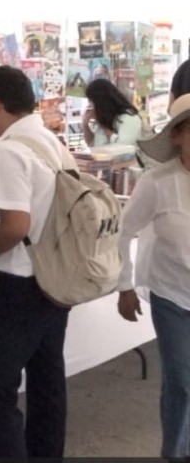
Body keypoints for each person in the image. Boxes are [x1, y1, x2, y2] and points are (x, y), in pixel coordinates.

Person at [0, 65, 69, 458]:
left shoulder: (8, 149)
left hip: (15, 284)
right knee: (48, 384)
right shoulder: (53, 143)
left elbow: (14, 225)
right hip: (55, 279)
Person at [116, 93, 190, 460]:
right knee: (181, 381)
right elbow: (124, 230)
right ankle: (174, 452)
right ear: (177, 135)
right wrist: (125, 286)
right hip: (171, 294)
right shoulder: (157, 181)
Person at [83, 79, 143, 147]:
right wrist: (85, 125)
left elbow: (122, 147)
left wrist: (104, 126)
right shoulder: (106, 118)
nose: (91, 106)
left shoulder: (129, 117)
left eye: (92, 102)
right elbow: (93, 144)